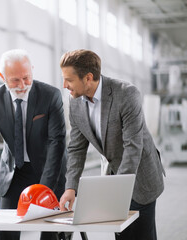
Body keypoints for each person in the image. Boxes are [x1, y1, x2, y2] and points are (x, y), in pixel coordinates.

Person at [59, 49, 165, 240]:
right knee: (121, 234)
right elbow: (76, 149)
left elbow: (133, 147)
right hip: (114, 172)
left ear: (88, 78)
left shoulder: (126, 94)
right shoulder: (75, 102)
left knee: (141, 235)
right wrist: (70, 187)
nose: (65, 85)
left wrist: (117, 192)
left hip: (142, 176)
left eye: (69, 79)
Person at [0, 49, 67, 240]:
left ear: (32, 70)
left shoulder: (50, 95)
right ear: (2, 77)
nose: (22, 85)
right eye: (15, 80)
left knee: (50, 234)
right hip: (14, 173)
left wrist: (45, 189)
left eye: (26, 77)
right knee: (7, 231)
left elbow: (57, 142)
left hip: (48, 171)